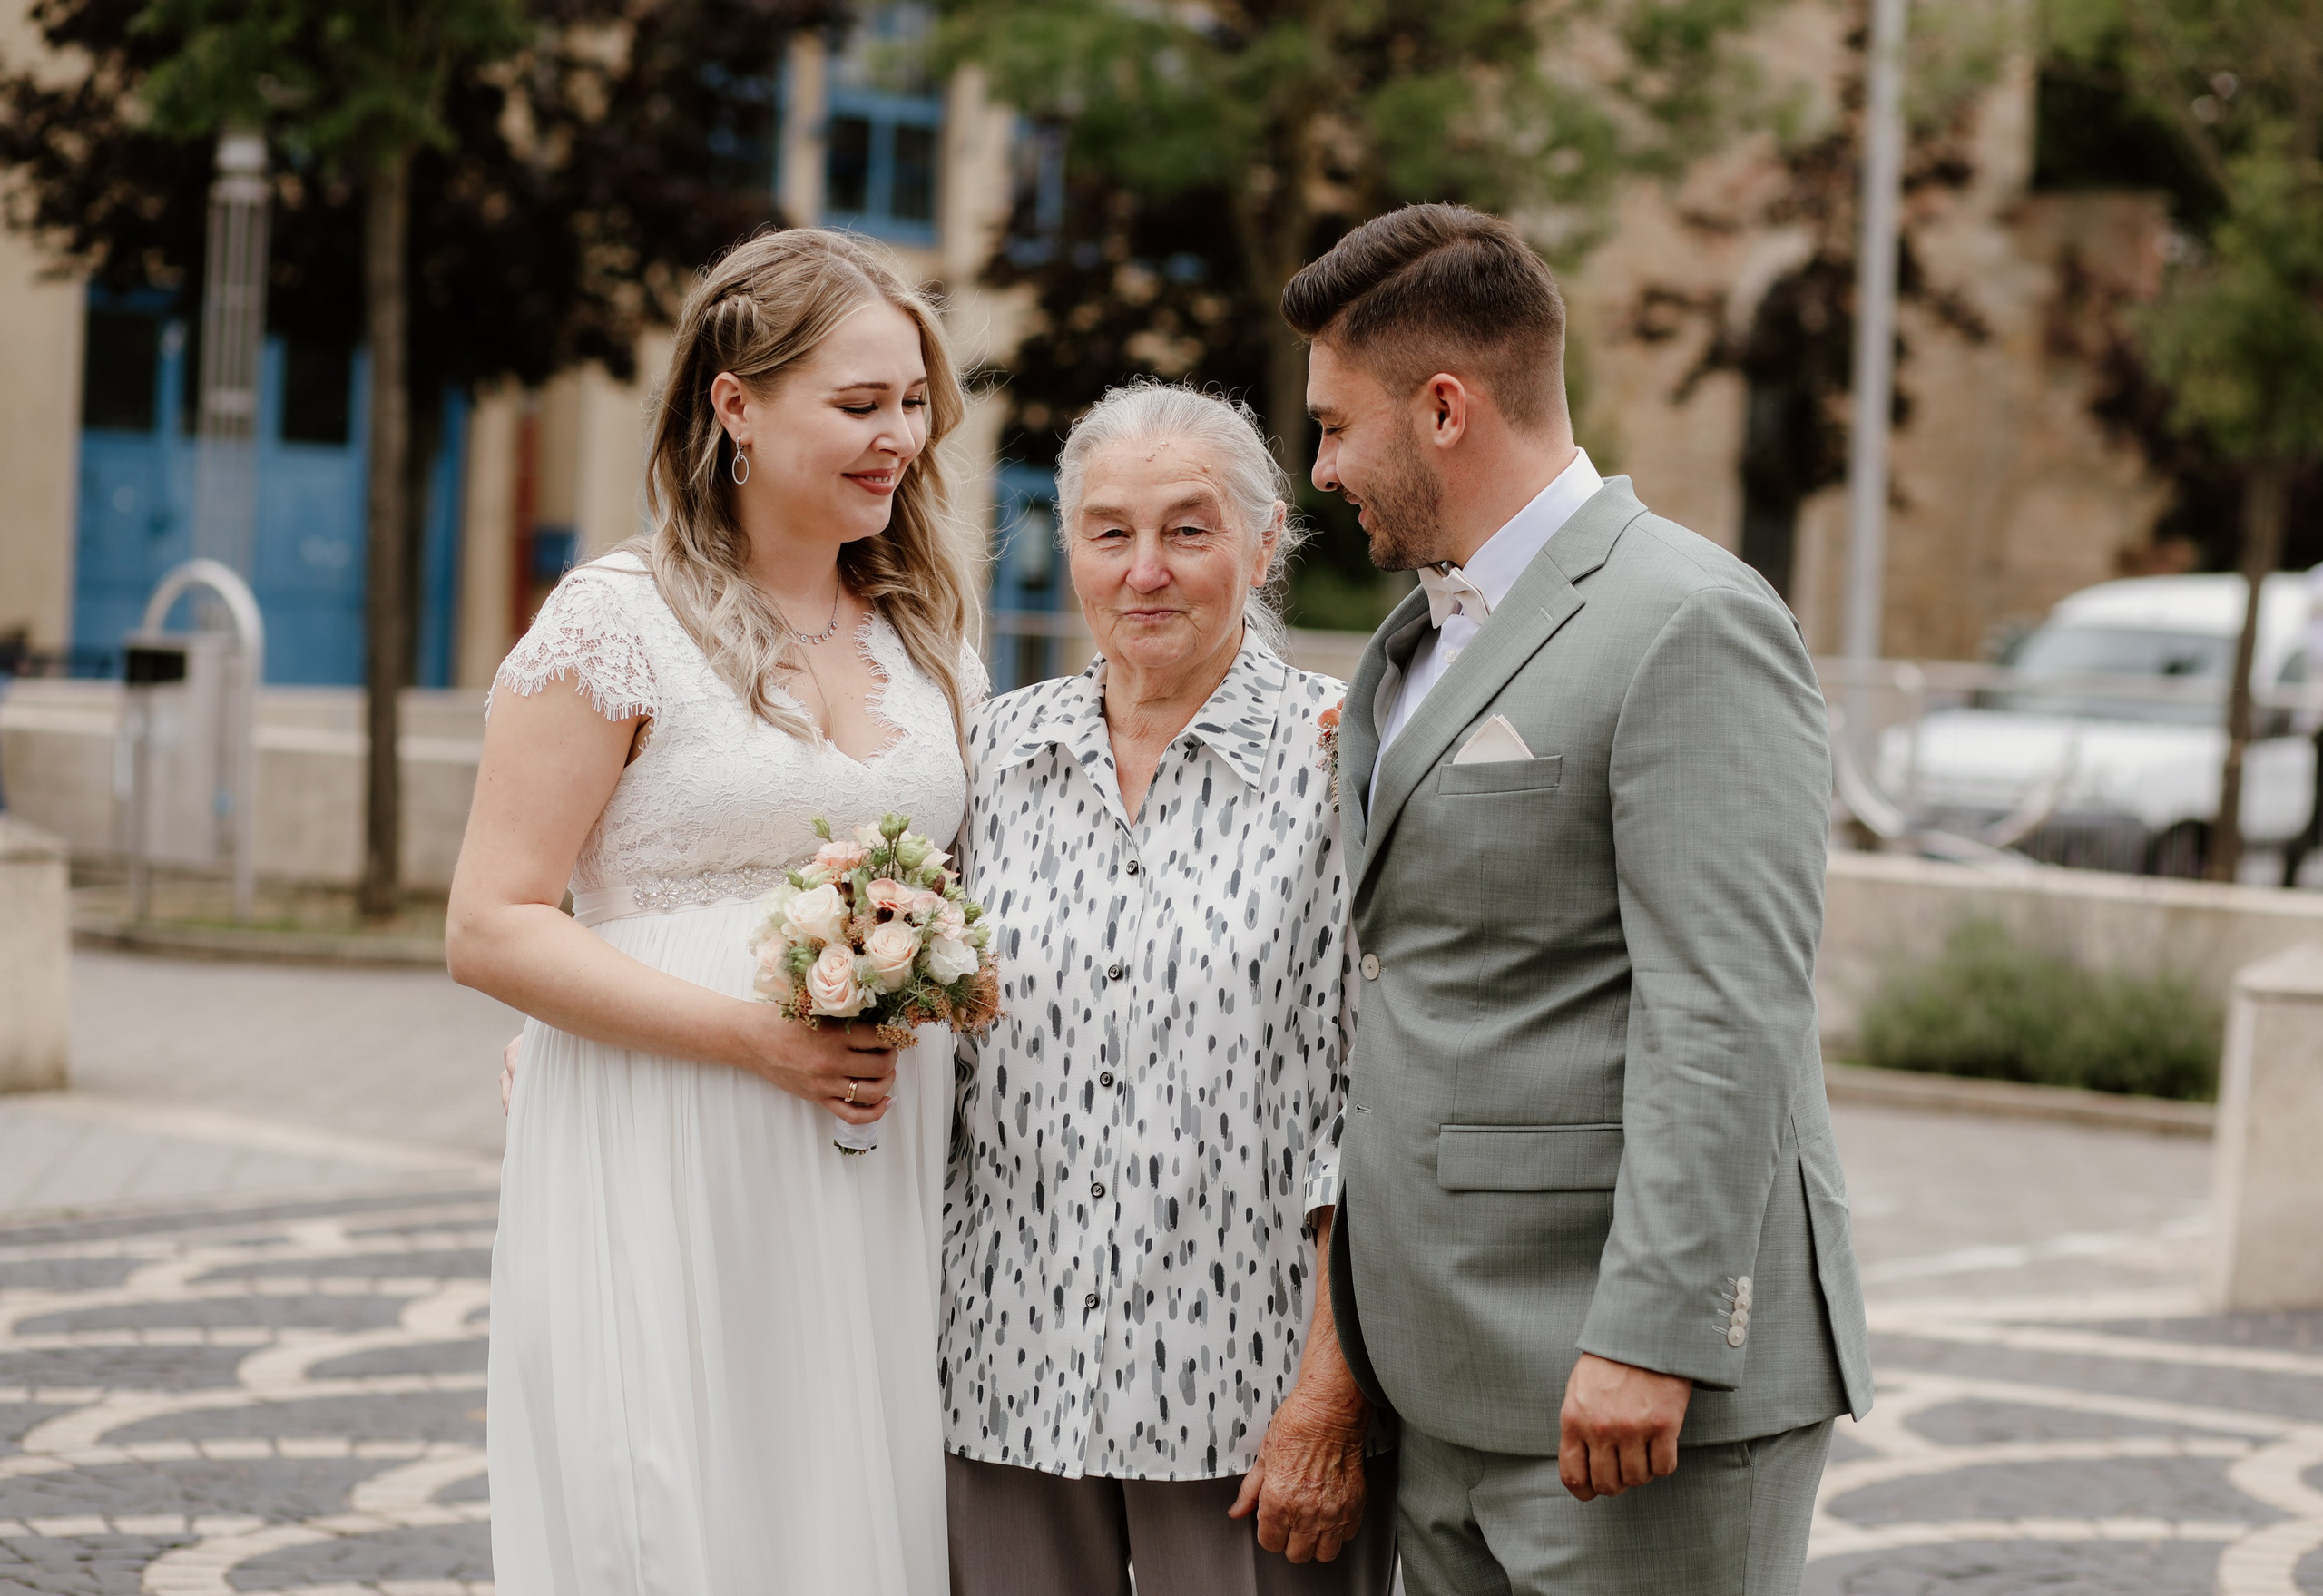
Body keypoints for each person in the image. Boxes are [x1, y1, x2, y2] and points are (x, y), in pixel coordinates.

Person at [1287, 203, 1872, 1595]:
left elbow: (1726, 1007)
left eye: (1332, 426)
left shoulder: (1689, 619)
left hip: (1626, 1390)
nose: (1317, 470)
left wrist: (1654, 1333)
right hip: (1446, 1376)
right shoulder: (1415, 639)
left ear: (1445, 409)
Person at [446, 229, 985, 1595]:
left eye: (913, 403)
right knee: (676, 1495)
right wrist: (753, 1038)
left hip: (875, 1154)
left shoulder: (928, 637)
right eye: (859, 404)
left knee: (846, 1499)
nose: (899, 440)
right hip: (663, 1129)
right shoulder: (615, 622)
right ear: (734, 403)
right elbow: (492, 922)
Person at [940, 381, 1395, 1596]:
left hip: (1251, 1407)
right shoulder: (988, 756)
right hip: (1001, 1382)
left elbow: (1373, 1108)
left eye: (1188, 531)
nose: (1146, 570)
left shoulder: (1349, 761)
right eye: (1109, 532)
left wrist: (1330, 1396)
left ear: (1262, 542)